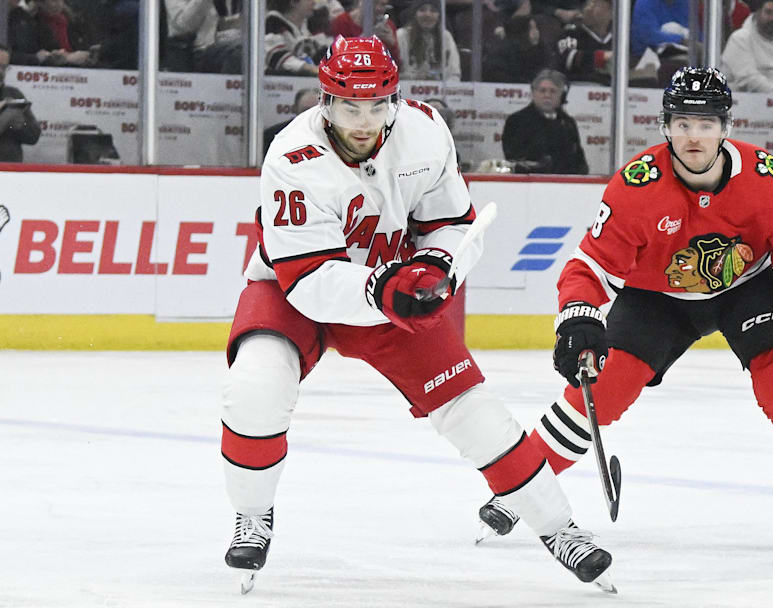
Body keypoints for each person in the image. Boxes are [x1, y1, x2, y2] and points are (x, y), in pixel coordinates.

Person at [221, 35, 614, 594]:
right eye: (350, 107)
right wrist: (384, 286)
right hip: (294, 290)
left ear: (395, 99)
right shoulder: (291, 156)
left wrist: (437, 264)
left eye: (376, 106)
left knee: (471, 409)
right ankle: (252, 513)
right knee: (255, 386)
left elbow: (455, 226)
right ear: (325, 101)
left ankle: (560, 528)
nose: (364, 122)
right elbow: (308, 280)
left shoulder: (424, 130)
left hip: (392, 292)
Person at [475, 66, 773, 557]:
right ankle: (521, 491)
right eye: (683, 124)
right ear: (665, 126)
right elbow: (590, 266)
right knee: (603, 388)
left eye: (706, 124)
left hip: (745, 289)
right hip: (656, 297)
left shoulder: (767, 179)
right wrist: (580, 316)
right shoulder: (637, 186)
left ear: (726, 127)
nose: (694, 137)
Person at [501, 69, 588, 174]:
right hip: (530, 180)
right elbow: (515, 158)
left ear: (561, 95)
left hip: (565, 181)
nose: (547, 95)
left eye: (553, 91)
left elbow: (580, 162)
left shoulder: (568, 123)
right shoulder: (516, 121)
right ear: (533, 93)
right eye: (542, 90)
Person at [396, 0, 461, 81]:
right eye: (422, 10)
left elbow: (454, 73)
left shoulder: (446, 37)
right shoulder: (401, 36)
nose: (428, 15)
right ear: (414, 14)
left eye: (433, 11)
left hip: (441, 87)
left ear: (439, 16)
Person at [0, 45, 42, 162]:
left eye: (4, 67)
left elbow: (34, 136)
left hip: (10, 166)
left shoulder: (14, 94)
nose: (0, 71)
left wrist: (19, 125)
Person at [555, 0, 612, 85]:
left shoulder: (620, 39)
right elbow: (566, 58)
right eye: (588, 4)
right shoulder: (571, 34)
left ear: (611, 13)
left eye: (595, 5)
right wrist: (602, 57)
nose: (588, 8)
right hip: (578, 87)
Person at [265, 0, 328, 76]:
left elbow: (319, 54)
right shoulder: (273, 23)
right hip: (277, 81)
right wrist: (312, 69)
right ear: (293, 2)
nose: (314, 2)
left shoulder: (305, 26)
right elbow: (276, 57)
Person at [263, 87, 320, 156]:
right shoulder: (273, 135)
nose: (310, 115)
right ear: (295, 109)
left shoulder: (329, 137)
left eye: (314, 111)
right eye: (305, 111)